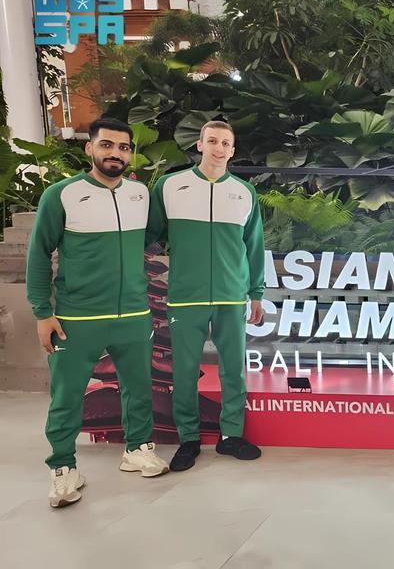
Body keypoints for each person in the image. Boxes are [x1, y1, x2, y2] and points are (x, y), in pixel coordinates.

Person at [27, 118, 169, 508]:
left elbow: (152, 238)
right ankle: (63, 467)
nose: (115, 153)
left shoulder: (141, 194)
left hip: (134, 314)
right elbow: (38, 254)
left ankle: (137, 448)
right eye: (106, 145)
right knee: (67, 396)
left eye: (123, 147)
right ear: (89, 148)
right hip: (77, 318)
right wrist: (42, 311)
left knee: (138, 387)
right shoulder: (61, 195)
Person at [148, 120, 265, 471]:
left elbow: (254, 246)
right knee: (184, 372)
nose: (219, 148)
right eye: (212, 141)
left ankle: (231, 436)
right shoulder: (170, 186)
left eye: (225, 143)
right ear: (199, 145)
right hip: (186, 297)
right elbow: (149, 235)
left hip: (232, 296)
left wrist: (256, 293)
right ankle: (189, 439)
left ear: (233, 150)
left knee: (234, 371)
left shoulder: (245, 192)